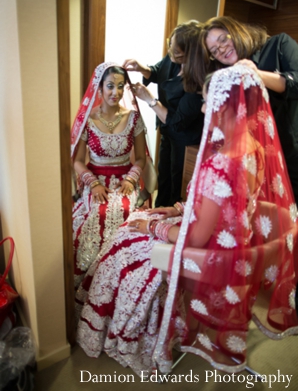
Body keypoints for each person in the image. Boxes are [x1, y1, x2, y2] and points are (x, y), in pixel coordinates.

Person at [76, 65, 298, 375]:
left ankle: (126, 328)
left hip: (206, 253)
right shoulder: (254, 148)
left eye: (208, 101)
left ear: (229, 106)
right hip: (235, 240)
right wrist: (176, 208)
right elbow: (221, 206)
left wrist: (152, 226)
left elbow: (194, 237)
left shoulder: (220, 163)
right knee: (137, 218)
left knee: (123, 240)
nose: (204, 108)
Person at [183, 15, 298, 206]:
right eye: (214, 50)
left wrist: (257, 75)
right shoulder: (227, 75)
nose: (222, 49)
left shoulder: (278, 44)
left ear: (235, 31)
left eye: (223, 40)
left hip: (291, 151)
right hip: (255, 157)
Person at [71, 62, 146, 289]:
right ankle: (90, 279)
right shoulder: (89, 119)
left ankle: (117, 279)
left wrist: (131, 179)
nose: (116, 92)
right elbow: (77, 161)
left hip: (125, 179)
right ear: (100, 88)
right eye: (111, 86)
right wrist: (92, 184)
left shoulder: (133, 118)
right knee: (98, 211)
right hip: (96, 180)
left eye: (121, 86)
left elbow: (141, 158)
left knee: (121, 210)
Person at [123, 20, 204, 207]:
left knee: (179, 184)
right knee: (164, 176)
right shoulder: (172, 59)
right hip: (167, 131)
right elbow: (158, 71)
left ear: (190, 54)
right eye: (171, 46)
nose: (171, 53)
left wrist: (150, 100)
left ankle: (172, 227)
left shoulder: (198, 79)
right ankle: (158, 216)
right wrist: (142, 68)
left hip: (186, 139)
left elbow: (177, 121)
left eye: (177, 52)